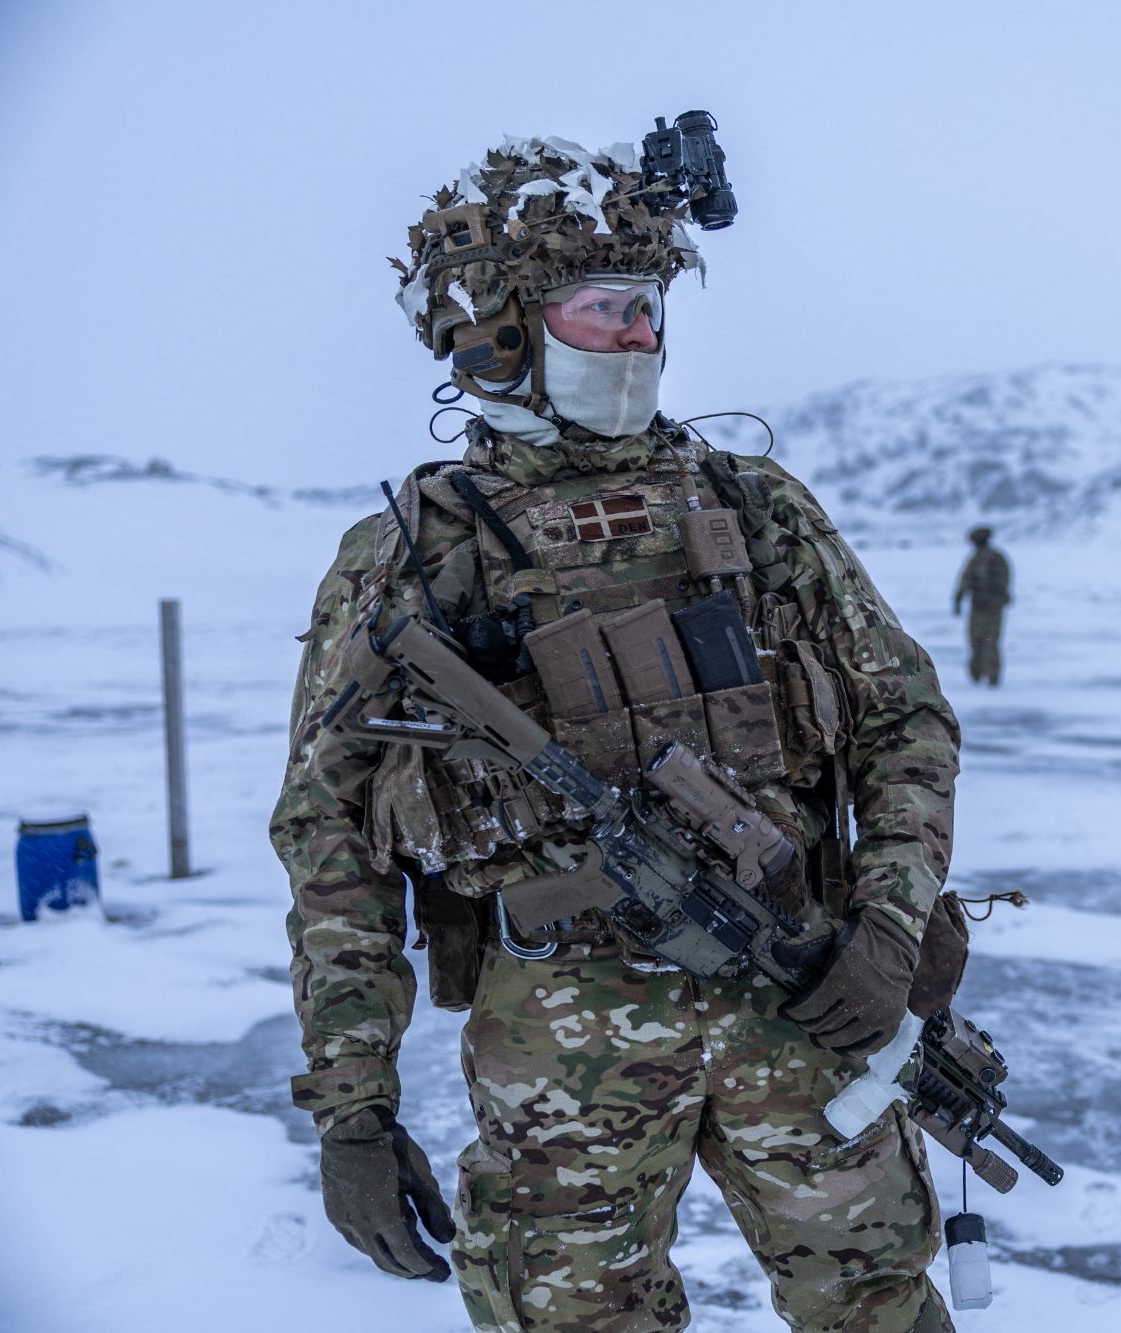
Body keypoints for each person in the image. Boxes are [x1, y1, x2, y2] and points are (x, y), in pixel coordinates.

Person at [271, 133, 962, 1332]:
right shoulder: (407, 560)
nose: (642, 335)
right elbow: (330, 841)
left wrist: (889, 931)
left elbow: (903, 720)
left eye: (648, 308)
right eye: (604, 310)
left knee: (877, 1305)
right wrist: (354, 1113)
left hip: (798, 995)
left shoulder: (754, 506)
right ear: (494, 335)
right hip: (560, 1050)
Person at [951, 526, 1011, 686]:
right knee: (984, 641)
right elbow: (965, 581)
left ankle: (986, 676)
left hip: (987, 607)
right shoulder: (991, 557)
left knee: (984, 641)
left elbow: (965, 582)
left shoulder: (986, 558)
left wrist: (957, 601)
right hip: (985, 607)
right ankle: (984, 676)